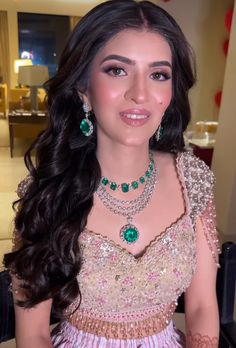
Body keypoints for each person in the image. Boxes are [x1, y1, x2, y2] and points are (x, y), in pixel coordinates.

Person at [4, 1, 221, 347]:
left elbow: (202, 306)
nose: (140, 94)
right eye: (117, 70)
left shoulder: (192, 180)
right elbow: (33, 335)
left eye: (158, 74)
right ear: (82, 88)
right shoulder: (45, 191)